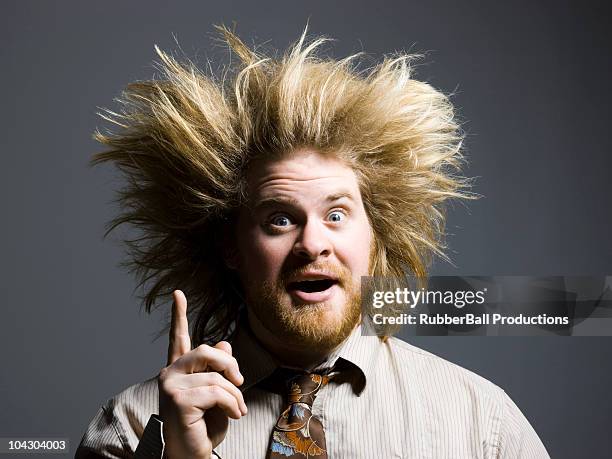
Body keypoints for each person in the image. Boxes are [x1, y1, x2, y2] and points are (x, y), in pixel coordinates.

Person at [76, 25, 550, 458]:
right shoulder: (133, 427)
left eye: (337, 214)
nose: (312, 243)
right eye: (280, 219)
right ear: (231, 246)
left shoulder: (480, 422)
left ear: (374, 235)